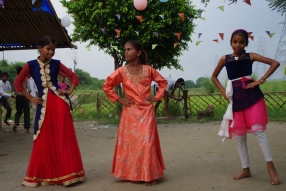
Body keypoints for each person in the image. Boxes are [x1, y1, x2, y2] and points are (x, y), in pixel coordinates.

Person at [211, 29, 280, 185]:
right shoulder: (225, 59)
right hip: (236, 99)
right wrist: (223, 91)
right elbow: (213, 76)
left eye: (242, 42)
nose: (238, 45)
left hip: (252, 96)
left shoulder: (251, 56)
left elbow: (275, 63)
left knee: (258, 132)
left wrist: (260, 80)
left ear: (246, 44)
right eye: (235, 41)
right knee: (240, 137)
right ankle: (246, 168)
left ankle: (271, 167)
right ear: (231, 42)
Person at [14, 35, 85, 187]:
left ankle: (68, 175)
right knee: (43, 137)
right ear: (39, 48)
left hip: (59, 103)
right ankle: (45, 175)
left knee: (62, 137)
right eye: (48, 49)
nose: (51, 52)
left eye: (53, 50)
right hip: (43, 104)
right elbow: (18, 83)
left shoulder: (57, 64)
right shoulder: (30, 65)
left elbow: (73, 77)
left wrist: (68, 91)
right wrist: (30, 98)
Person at [103, 40, 168, 186]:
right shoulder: (121, 71)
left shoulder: (149, 70)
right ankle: (132, 174)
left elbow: (163, 82)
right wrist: (119, 99)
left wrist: (157, 97)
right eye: (125, 49)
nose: (126, 52)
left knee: (147, 142)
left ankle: (149, 175)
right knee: (132, 144)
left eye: (130, 49)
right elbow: (107, 86)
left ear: (138, 53)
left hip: (146, 111)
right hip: (130, 113)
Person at [13, 67, 31, 133]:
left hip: (18, 97)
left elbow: (13, 89)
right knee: (26, 112)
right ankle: (27, 129)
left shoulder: (15, 79)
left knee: (18, 111)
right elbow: (30, 89)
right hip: (25, 96)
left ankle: (15, 123)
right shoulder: (26, 79)